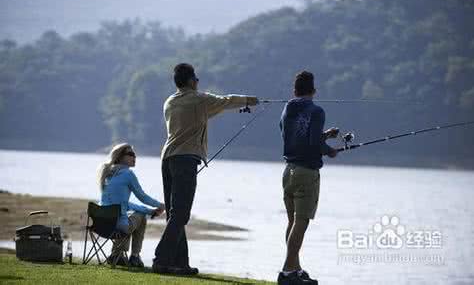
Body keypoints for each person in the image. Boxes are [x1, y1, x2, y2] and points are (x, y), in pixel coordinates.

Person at [153, 63, 259, 275]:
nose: (198, 81)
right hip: (185, 160)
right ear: (191, 81)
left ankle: (179, 264)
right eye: (197, 78)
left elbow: (201, 114)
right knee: (180, 214)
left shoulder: (170, 102)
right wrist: (249, 100)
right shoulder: (199, 100)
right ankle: (161, 259)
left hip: (167, 159)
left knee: (175, 215)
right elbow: (226, 100)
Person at [278, 71, 339, 285]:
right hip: (307, 172)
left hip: (289, 170)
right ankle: (287, 272)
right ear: (314, 90)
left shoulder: (287, 108)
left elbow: (295, 136)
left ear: (295, 90)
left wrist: (324, 136)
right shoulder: (317, 111)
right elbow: (313, 144)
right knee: (301, 222)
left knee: (292, 222)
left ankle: (294, 268)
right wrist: (329, 150)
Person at [98, 143, 165, 268]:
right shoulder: (128, 174)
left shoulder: (107, 174)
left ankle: (116, 255)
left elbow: (123, 204)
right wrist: (161, 205)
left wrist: (150, 211)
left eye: (135, 154)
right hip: (117, 226)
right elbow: (142, 196)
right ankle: (134, 256)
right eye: (131, 154)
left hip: (101, 225)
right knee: (139, 217)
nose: (135, 157)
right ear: (120, 157)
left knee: (129, 216)